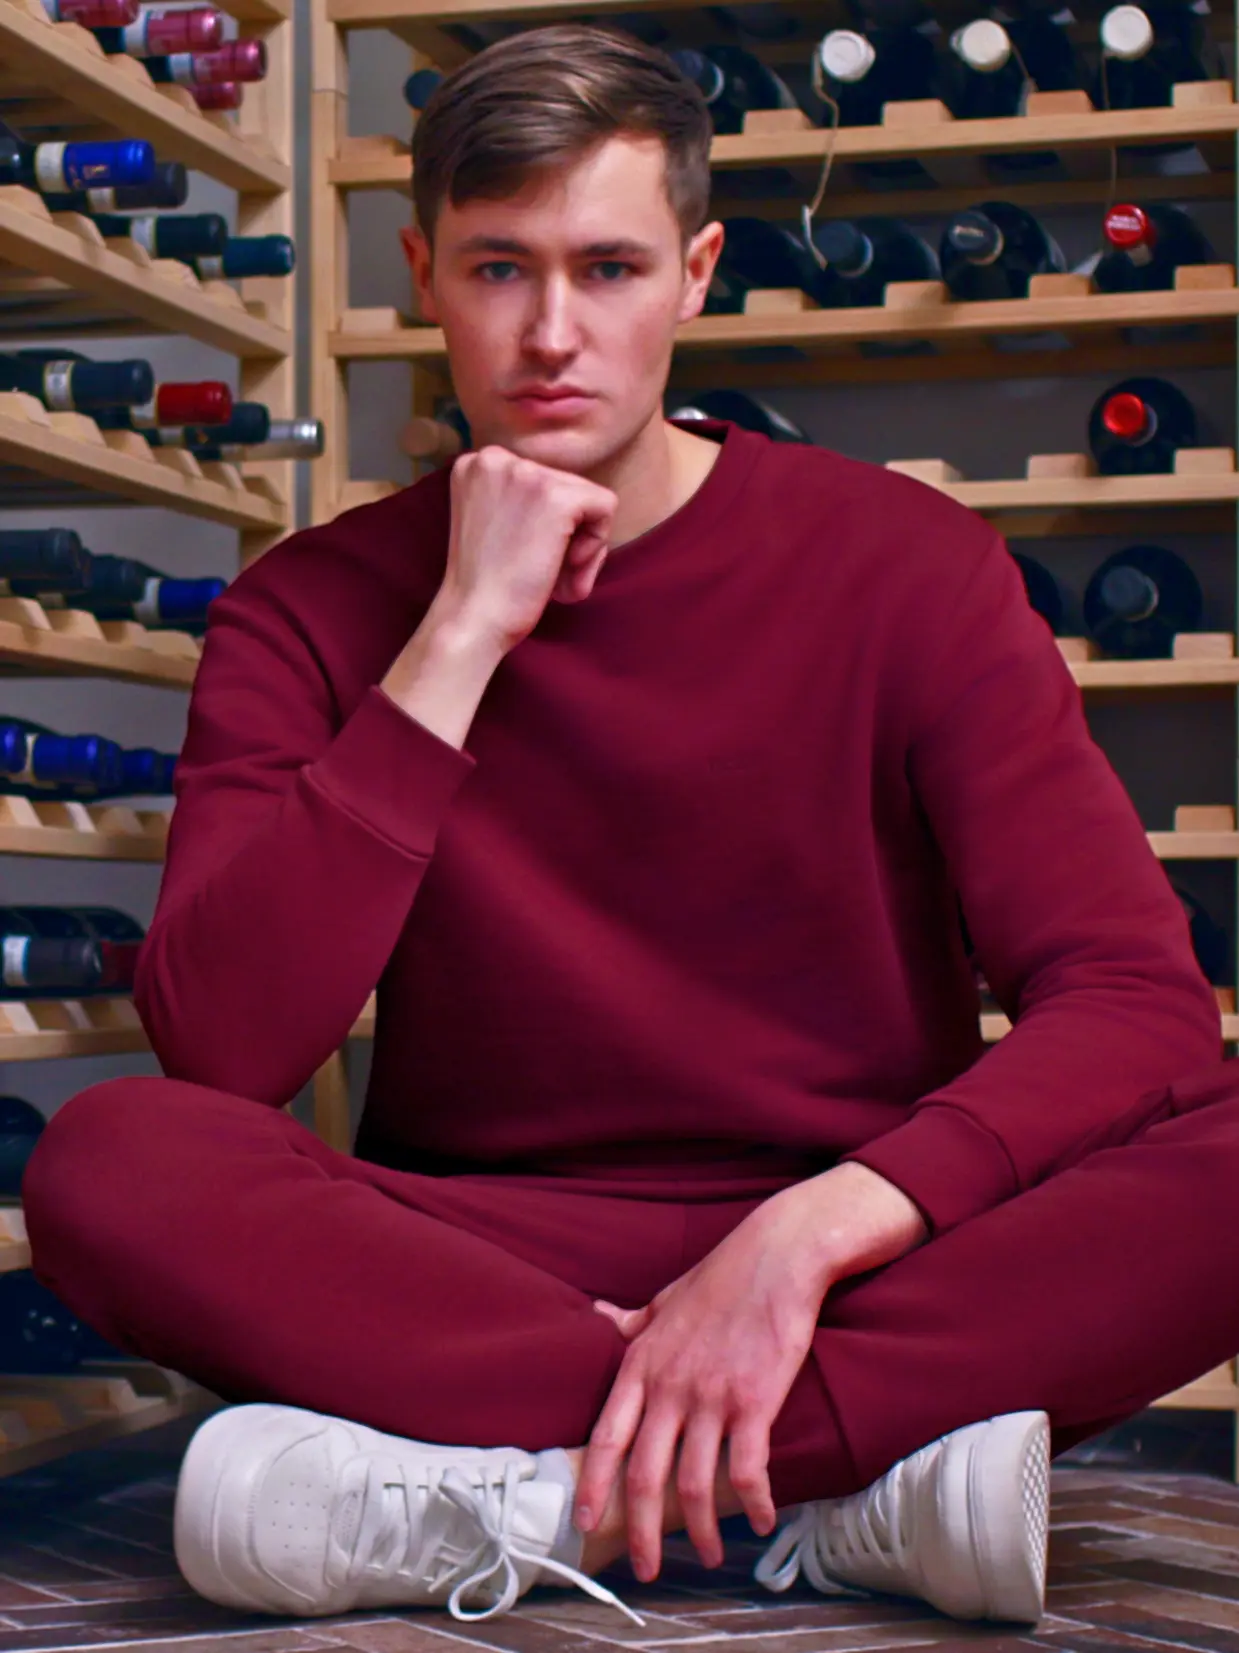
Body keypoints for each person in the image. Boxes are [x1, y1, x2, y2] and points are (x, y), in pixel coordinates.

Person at [18, 18, 1239, 1637]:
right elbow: (227, 1047)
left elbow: (1133, 1006)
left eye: (606, 268)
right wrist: (458, 636)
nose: (548, 334)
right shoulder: (308, 610)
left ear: (697, 274)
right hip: (486, 1253)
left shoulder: (908, 565)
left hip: (859, 1237)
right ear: (423, 273)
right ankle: (830, 1484)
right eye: (497, 269)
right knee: (112, 1163)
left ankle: (533, 1487)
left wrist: (795, 1246)